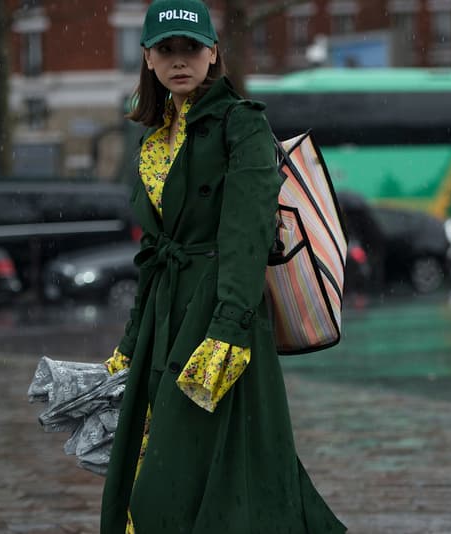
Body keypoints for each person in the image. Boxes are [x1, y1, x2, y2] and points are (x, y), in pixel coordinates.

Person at [100, 1, 346, 532]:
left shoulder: (243, 124)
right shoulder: (149, 140)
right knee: (156, 474)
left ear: (214, 52)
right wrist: (128, 346)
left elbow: (247, 234)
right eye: (166, 49)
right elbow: (152, 253)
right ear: (147, 57)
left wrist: (228, 329)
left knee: (200, 480)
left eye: (191, 47)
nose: (179, 59)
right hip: (164, 325)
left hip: (219, 321)